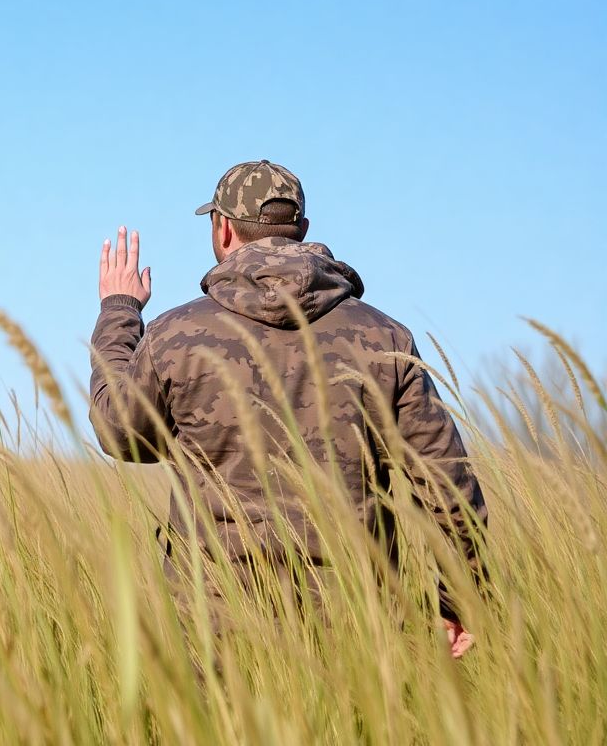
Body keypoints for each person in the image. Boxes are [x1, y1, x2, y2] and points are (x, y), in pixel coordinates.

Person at [88, 159, 486, 658]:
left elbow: (120, 435)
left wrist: (120, 312)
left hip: (214, 622)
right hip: (354, 623)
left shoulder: (176, 335)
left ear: (224, 229)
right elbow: (447, 483)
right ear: (302, 231)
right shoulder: (385, 337)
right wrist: (455, 601)